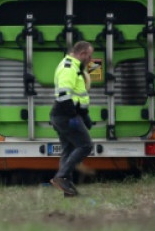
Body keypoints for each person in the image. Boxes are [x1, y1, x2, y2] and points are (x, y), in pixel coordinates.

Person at [50, 40, 95, 197]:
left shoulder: (74, 67)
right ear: (82, 54)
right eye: (89, 57)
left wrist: (84, 116)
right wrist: (74, 117)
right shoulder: (68, 68)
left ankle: (67, 189)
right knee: (85, 145)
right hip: (65, 114)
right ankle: (61, 177)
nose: (90, 60)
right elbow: (64, 96)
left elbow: (78, 96)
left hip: (64, 115)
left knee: (69, 149)